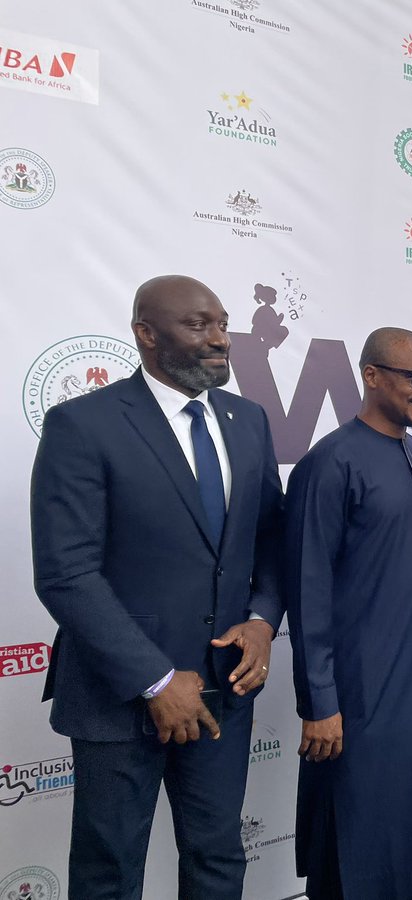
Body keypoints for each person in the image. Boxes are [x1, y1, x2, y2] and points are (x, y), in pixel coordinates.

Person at [29, 274, 285, 899]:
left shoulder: (248, 420)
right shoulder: (82, 425)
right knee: (109, 871)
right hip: (120, 699)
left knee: (218, 857)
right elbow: (66, 573)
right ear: (145, 334)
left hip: (224, 686)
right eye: (199, 325)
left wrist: (261, 618)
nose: (220, 339)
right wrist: (156, 679)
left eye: (223, 323)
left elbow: (272, 541)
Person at [285, 327, 412, 899]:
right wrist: (320, 701)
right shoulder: (329, 463)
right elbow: (306, 592)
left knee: (411, 823)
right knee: (355, 827)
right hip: (357, 686)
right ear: (371, 376)